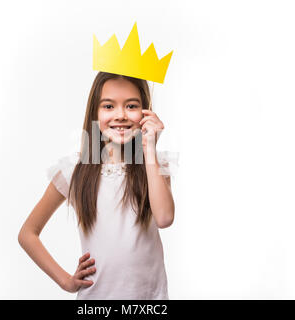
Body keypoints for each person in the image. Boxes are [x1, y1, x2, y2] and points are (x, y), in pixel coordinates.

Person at [18, 71, 178, 299]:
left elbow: (165, 218)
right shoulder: (75, 170)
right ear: (95, 111)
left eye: (131, 106)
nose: (120, 115)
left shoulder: (154, 165)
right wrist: (66, 281)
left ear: (146, 112)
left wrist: (149, 147)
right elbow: (28, 233)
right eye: (109, 106)